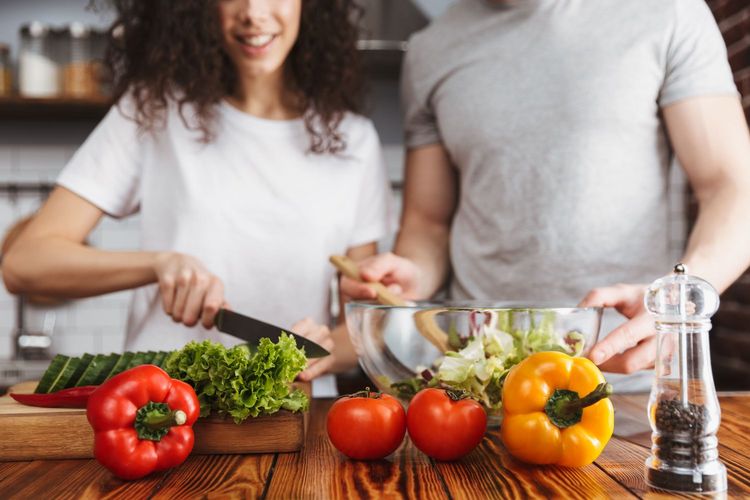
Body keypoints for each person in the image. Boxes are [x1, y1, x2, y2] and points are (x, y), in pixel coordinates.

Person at [341, 0, 750, 390]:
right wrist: (414, 273)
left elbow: (733, 187)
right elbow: (428, 223)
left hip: (629, 381)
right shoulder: (431, 50)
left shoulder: (667, 12)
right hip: (479, 384)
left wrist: (677, 302)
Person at [2, 0, 392, 382]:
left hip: (294, 417)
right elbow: (24, 263)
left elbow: (359, 328)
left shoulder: (353, 140)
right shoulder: (153, 110)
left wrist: (323, 349)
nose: (254, 13)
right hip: (159, 406)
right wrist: (159, 264)